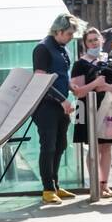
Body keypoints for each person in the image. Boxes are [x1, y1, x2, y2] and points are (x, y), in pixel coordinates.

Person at [71, 27, 112, 199]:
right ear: (85, 43)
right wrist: (95, 83)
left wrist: (110, 87)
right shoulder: (80, 64)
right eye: (90, 40)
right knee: (94, 148)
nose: (94, 42)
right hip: (89, 109)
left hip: (110, 108)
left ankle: (105, 185)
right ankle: (95, 185)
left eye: (96, 39)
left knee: (107, 147)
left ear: (102, 40)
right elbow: (78, 91)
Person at [32, 13, 78, 204]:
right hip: (46, 107)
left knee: (60, 146)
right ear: (58, 31)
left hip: (60, 106)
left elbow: (59, 75)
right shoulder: (42, 48)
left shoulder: (61, 48)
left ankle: (55, 185)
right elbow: (41, 80)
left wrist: (69, 87)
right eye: (68, 33)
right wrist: (62, 99)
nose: (71, 37)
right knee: (48, 146)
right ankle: (47, 189)